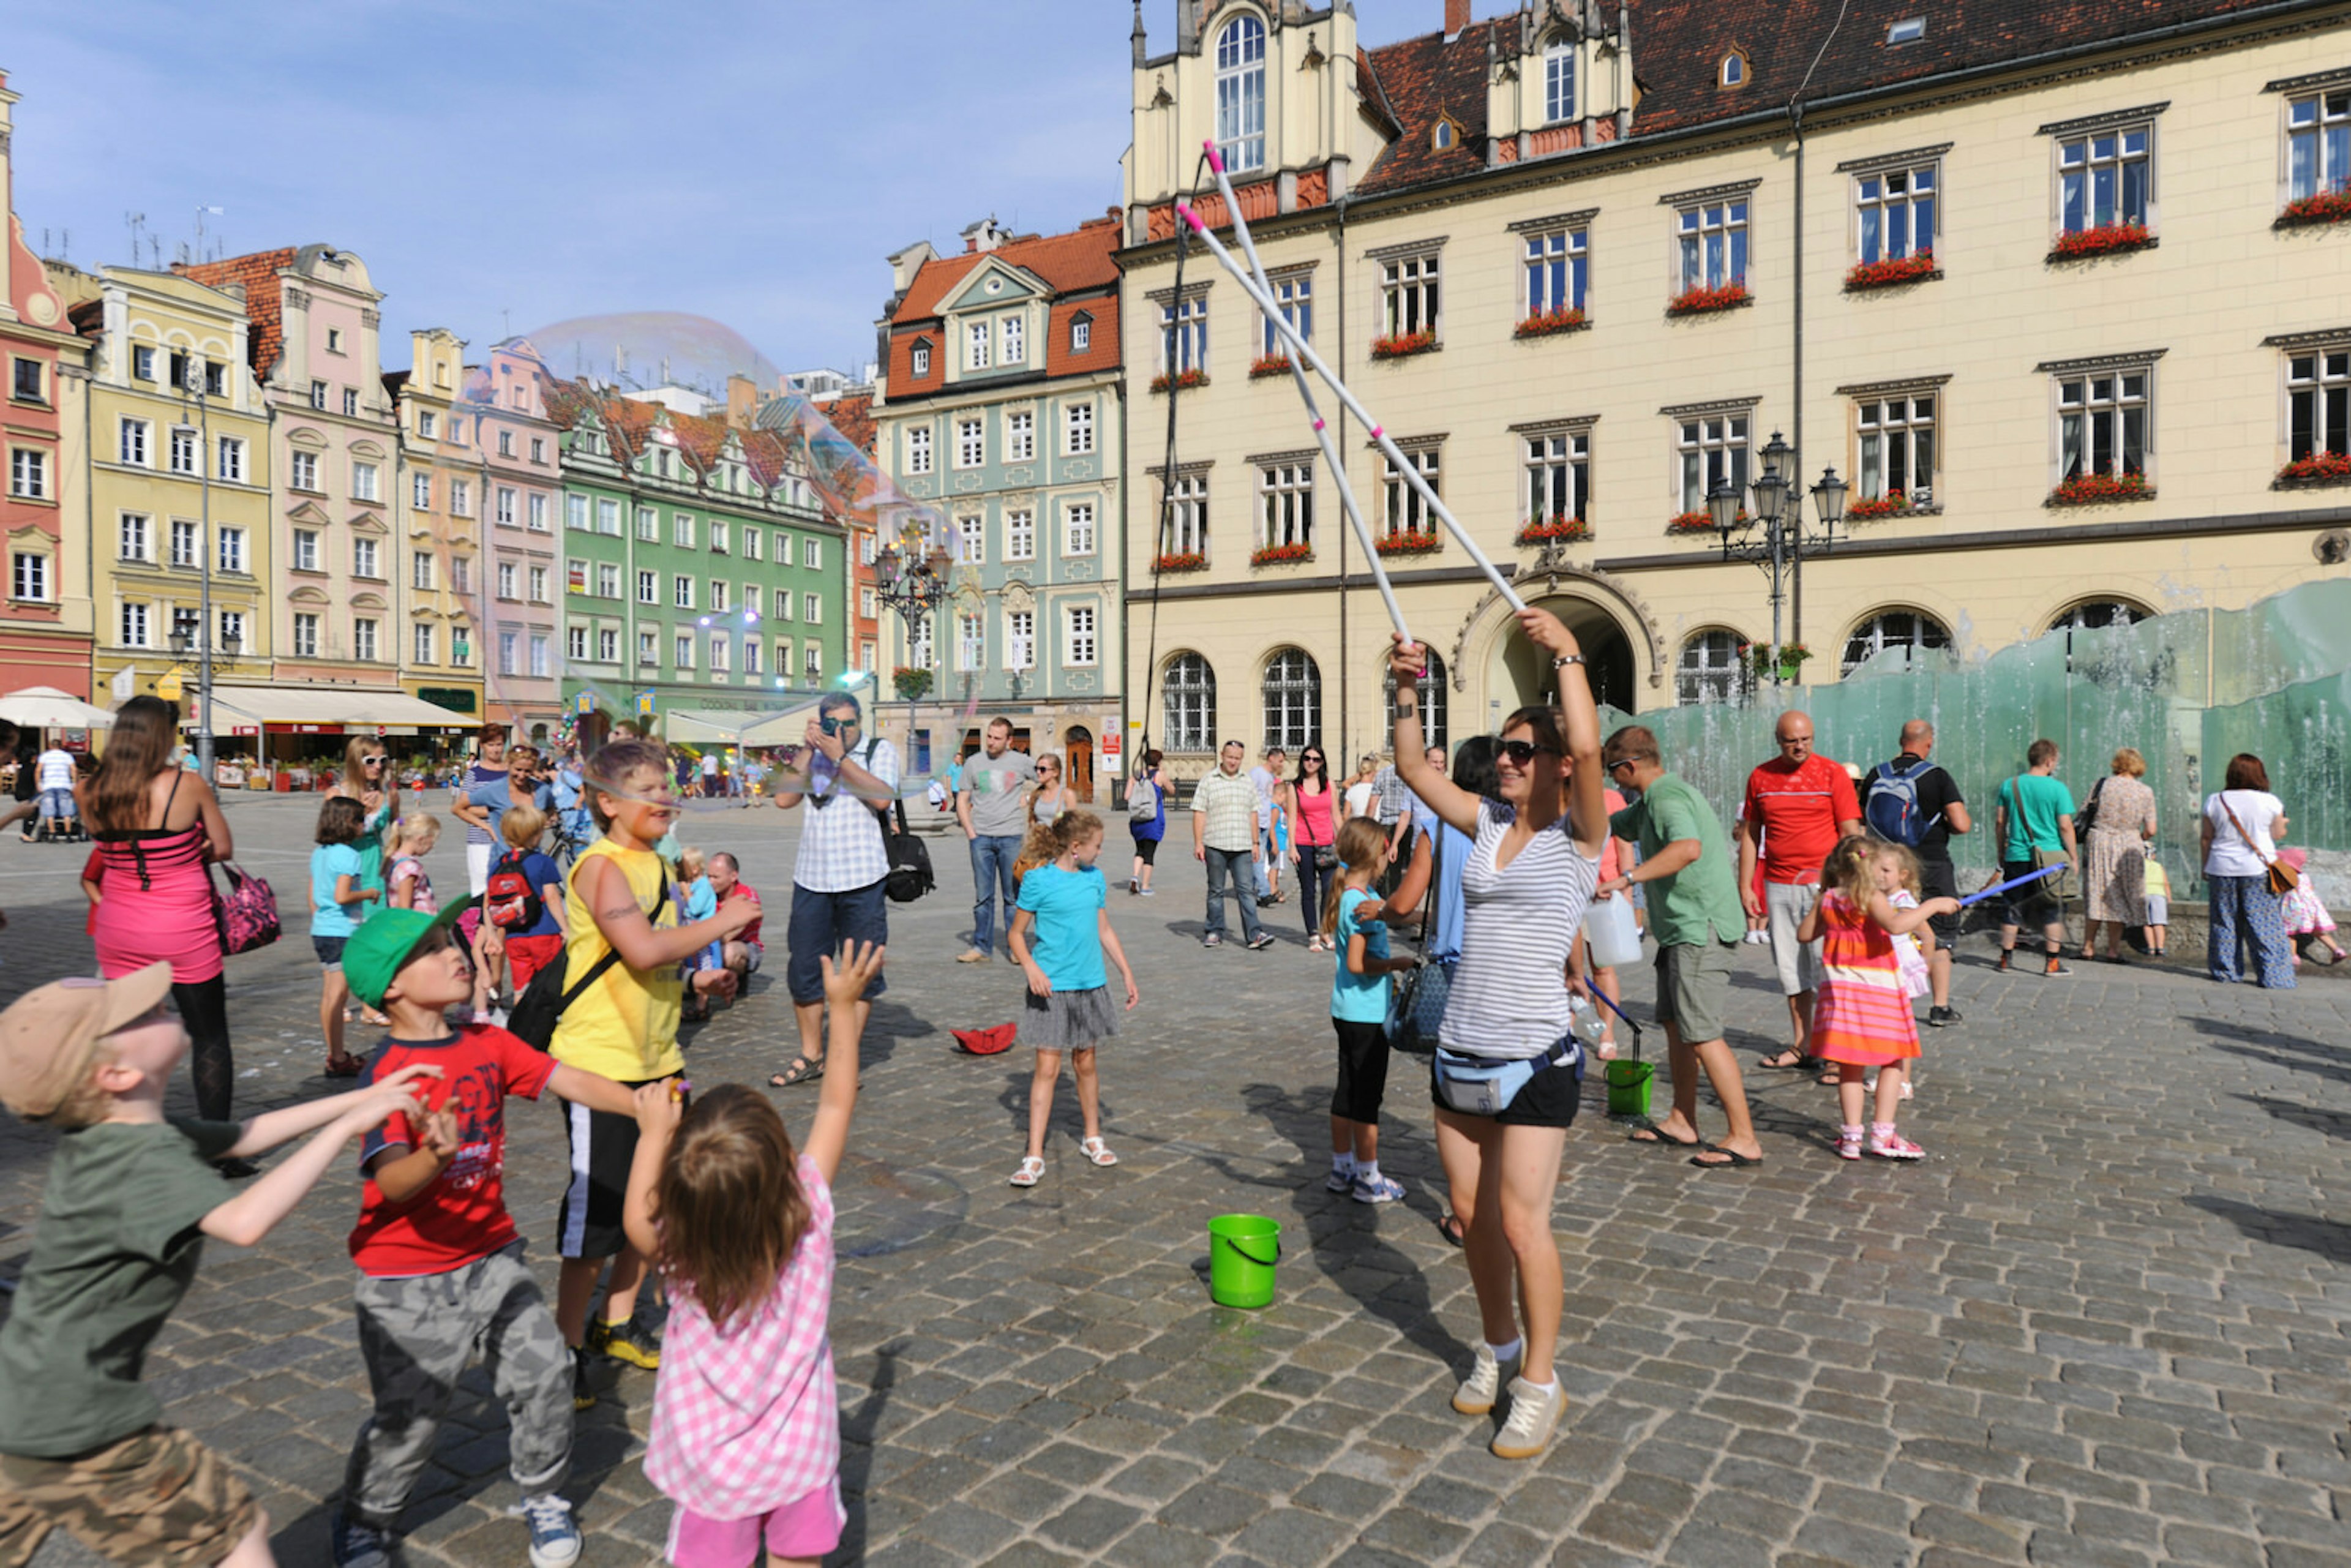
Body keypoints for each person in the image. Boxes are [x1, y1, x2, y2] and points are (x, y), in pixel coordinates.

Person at [0, 964, 436, 1568]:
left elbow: (244, 1135)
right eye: (142, 1014)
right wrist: (343, 1128)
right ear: (116, 1072)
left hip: (18, 1396)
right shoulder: (141, 1155)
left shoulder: (116, 1129)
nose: (163, 1005)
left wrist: (369, 1093)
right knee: (234, 1535)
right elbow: (245, 1220)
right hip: (77, 1415)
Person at [331, 906, 645, 1568]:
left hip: (493, 1255)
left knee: (546, 1372)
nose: (458, 953)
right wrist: (435, 1157)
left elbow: (568, 1079)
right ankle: (367, 1517)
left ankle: (542, 1493)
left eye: (452, 940)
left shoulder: (487, 1042)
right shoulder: (387, 1073)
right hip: (403, 1276)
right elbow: (392, 1183)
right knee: (409, 1415)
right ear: (391, 988)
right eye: (433, 949)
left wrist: (641, 1102)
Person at [1389, 607, 1607, 1461]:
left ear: (1554, 763)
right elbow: (1412, 765)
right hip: (1461, 1045)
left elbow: (1591, 751)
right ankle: (1498, 1344)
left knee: (1523, 1225)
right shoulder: (1483, 825)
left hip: (1533, 1054)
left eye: (1524, 751)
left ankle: (1541, 1381)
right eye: (1503, 748)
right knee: (1474, 1215)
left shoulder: (1580, 836)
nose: (1506, 760)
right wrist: (1408, 682)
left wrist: (1567, 657)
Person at [621, 942, 887, 1568]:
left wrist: (654, 1133)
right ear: (781, 1164)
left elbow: (637, 1215)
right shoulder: (809, 1222)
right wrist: (842, 1008)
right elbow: (836, 1102)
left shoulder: (679, 1253)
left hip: (713, 1469)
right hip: (798, 1456)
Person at [553, 741, 761, 1408]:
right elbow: (639, 947)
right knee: (596, 1218)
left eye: (667, 786)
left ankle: (616, 1322)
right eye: (647, 788)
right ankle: (564, 1348)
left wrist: (698, 973)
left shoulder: (658, 863)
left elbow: (648, 962)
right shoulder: (600, 866)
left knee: (654, 1203)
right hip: (599, 1064)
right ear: (607, 802)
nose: (664, 797)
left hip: (659, 1058)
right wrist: (722, 921)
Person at [78, 697, 246, 1158]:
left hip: (119, 924)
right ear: (161, 734)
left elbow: (104, 853)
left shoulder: (88, 790)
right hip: (181, 924)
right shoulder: (186, 785)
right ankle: (217, 1149)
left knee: (126, 1037)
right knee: (208, 1034)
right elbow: (225, 846)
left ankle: (127, 1140)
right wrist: (184, 851)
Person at [1600, 725, 1765, 1169]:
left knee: (1703, 1033)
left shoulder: (1668, 797)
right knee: (1676, 1025)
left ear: (1629, 766)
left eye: (1613, 773)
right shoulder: (1650, 800)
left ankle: (1744, 1137)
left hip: (1700, 929)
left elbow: (1687, 847)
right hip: (1679, 931)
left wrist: (1628, 878)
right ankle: (1682, 1119)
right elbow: (1611, 824)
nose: (1613, 782)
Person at [769, 694, 899, 1087]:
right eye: (832, 724)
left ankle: (844, 1058)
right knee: (805, 967)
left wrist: (842, 758)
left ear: (861, 721)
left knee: (860, 971)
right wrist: (809, 752)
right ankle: (811, 1055)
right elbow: (783, 798)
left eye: (849, 723)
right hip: (812, 877)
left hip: (863, 877)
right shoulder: (812, 755)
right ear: (820, 723)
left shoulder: (879, 749)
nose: (841, 731)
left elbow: (881, 797)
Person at [1802, 838, 1957, 1160]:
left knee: (1850, 1067)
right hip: (1878, 992)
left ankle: (1851, 1139)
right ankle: (1883, 1135)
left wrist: (1823, 902)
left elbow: (1804, 934)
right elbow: (1896, 926)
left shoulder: (1829, 898)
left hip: (1840, 995)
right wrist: (1933, 905)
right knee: (1893, 1060)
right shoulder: (1871, 897)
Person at [1007, 811, 1139, 1186]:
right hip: (1051, 988)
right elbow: (1017, 934)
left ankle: (1092, 1136)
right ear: (1077, 847)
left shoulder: (1093, 880)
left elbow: (1104, 929)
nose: (1101, 852)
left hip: (1089, 984)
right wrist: (1031, 968)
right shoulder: (1037, 880)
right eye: (1098, 846)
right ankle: (1034, 1154)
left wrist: (1126, 972)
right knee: (1047, 1069)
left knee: (1086, 1062)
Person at [1739, 712, 1864, 1070]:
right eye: (1792, 741)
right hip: (1778, 884)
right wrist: (1745, 885)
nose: (1800, 746)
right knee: (1790, 970)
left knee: (1831, 968)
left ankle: (1838, 1052)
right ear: (1778, 740)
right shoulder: (1761, 777)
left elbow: (1850, 831)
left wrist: (1851, 883)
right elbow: (1750, 835)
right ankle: (1803, 1043)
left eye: (1806, 739)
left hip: (1823, 885)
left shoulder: (1832, 773)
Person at [1323, 817, 1417, 1203]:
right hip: (1367, 1012)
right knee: (1367, 1097)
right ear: (1377, 853)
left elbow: (1396, 913)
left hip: (1346, 1007)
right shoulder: (1361, 905)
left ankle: (1341, 1166)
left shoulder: (1350, 896)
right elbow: (1360, 965)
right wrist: (1398, 964)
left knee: (1346, 1088)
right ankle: (1368, 1175)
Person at [1863, 720, 1973, 1026]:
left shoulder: (1876, 774)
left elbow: (1862, 826)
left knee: (1889, 929)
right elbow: (1961, 824)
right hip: (1931, 865)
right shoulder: (1937, 777)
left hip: (1887, 868)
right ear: (1929, 742)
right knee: (1938, 935)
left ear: (1901, 741)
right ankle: (1939, 1007)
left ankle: (1884, 997)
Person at [2200, 752, 2293, 988]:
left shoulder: (2215, 800)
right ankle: (2274, 976)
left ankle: (2226, 971)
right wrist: (2283, 825)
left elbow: (2206, 837)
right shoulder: (2270, 801)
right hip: (2258, 868)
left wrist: (2205, 866)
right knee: (2263, 922)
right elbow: (2277, 835)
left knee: (2224, 921)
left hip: (2221, 866)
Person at [1994, 738, 2080, 977]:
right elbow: (2065, 827)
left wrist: (2001, 851)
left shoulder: (2009, 785)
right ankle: (2052, 963)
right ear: (2049, 761)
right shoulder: (2058, 789)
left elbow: (2000, 822)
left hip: (2017, 855)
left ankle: (2005, 959)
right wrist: (2073, 856)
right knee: (2052, 908)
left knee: (2012, 907)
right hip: (2050, 858)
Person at [956, 718, 1038, 965]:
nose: (991, 742)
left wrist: (1030, 799)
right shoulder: (973, 763)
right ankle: (982, 947)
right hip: (981, 837)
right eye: (989, 736)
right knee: (983, 897)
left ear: (1009, 741)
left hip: (1011, 836)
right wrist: (970, 831)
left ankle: (1016, 949)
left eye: (997, 738)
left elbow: (1048, 779)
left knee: (1013, 897)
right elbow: (962, 799)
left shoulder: (1021, 762)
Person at [313, 797, 380, 1078]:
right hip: (341, 930)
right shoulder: (348, 855)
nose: (363, 825)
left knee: (331, 996)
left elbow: (314, 893)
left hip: (322, 928)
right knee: (339, 995)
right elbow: (343, 896)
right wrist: (369, 893)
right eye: (359, 820)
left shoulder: (321, 853)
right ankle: (337, 1056)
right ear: (347, 824)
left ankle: (335, 1052)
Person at [1192, 740, 1276, 950]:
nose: (1233, 761)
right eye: (1230, 757)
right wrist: (1198, 842)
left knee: (1246, 891)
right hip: (1215, 844)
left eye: (1237, 758)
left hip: (1242, 846)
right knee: (1216, 891)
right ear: (1222, 755)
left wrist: (1256, 842)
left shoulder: (1247, 781)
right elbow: (1200, 812)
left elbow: (1253, 813)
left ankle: (1254, 934)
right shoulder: (1209, 780)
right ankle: (1214, 930)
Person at [2079, 746, 2157, 964]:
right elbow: (2151, 829)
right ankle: (2113, 950)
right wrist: (2138, 835)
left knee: (2096, 893)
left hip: (2100, 841)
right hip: (2129, 844)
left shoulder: (2101, 785)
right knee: (2120, 896)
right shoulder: (2145, 791)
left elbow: (2084, 812)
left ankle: (2088, 947)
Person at [1288, 746, 1341, 950]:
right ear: (1302, 761)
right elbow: (1292, 818)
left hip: (1327, 843)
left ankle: (1326, 930)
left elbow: (1336, 814)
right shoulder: (1295, 787)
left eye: (1316, 759)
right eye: (1307, 759)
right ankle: (1313, 934)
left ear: (1322, 763)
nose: (1311, 762)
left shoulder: (1329, 785)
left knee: (1329, 889)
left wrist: (1345, 839)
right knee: (1308, 891)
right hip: (1304, 844)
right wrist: (1292, 846)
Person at [452, 726, 509, 896]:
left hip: (508, 837)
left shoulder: (511, 771)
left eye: (499, 744)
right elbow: (465, 807)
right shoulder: (475, 774)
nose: (496, 749)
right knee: (482, 887)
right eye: (491, 745)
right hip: (481, 838)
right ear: (482, 746)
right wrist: (495, 811)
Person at [703, 852, 765, 981]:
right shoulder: (706, 894)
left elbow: (733, 931)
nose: (710, 882)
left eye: (716, 877)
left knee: (728, 953)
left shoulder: (746, 895)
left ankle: (738, 980)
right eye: (708, 877)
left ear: (733, 876)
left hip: (745, 945)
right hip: (713, 940)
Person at [2278, 848, 2347, 964]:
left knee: (2290, 933)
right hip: (2311, 909)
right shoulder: (2305, 876)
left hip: (2294, 909)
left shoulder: (2287, 877)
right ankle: (2337, 950)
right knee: (2319, 932)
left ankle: (2293, 957)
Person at [1127, 750, 1168, 896]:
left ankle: (1135, 876)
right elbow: (1172, 789)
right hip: (1153, 820)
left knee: (1140, 850)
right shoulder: (1159, 775)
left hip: (1137, 820)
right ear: (1158, 761)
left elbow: (1126, 796)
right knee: (1149, 854)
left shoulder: (1136, 776)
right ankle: (1145, 886)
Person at [1250, 747, 1288, 905]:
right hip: (1256, 821)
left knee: (1258, 859)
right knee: (1256, 858)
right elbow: (1248, 794)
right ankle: (1265, 891)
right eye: (1280, 761)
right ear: (1271, 758)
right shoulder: (1257, 773)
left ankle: (1252, 890)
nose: (1281, 765)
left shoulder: (1271, 777)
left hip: (1266, 821)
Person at [386, 814, 440, 913]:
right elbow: (404, 908)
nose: (432, 847)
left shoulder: (394, 858)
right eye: (431, 842)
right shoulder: (410, 868)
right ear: (421, 839)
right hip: (419, 923)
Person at [33, 740, 78, 839]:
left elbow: (38, 770)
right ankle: (68, 834)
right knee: (67, 810)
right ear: (61, 746)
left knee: (49, 810)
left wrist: (38, 783)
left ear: (50, 746)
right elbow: (74, 769)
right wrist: (74, 783)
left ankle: (52, 833)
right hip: (64, 784)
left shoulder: (45, 756)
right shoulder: (67, 756)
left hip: (48, 785)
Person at [1029, 752, 1073, 824]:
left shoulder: (1067, 795)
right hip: (1039, 834)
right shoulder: (1036, 794)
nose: (1038, 772)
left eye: (1042, 769)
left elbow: (1073, 824)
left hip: (1058, 834)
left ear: (1055, 772)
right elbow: (1032, 821)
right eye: (1036, 769)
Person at [2144, 853, 2173, 959]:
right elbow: (2165, 883)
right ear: (2154, 855)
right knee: (2159, 923)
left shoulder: (2140, 866)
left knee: (2147, 923)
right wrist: (2169, 896)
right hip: (2159, 894)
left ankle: (2151, 948)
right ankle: (2160, 948)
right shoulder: (2158, 866)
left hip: (2144, 893)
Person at [1343, 756, 1379, 820]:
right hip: (1375, 825)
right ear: (1373, 772)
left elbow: (1346, 816)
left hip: (1357, 825)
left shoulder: (1352, 791)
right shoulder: (1378, 790)